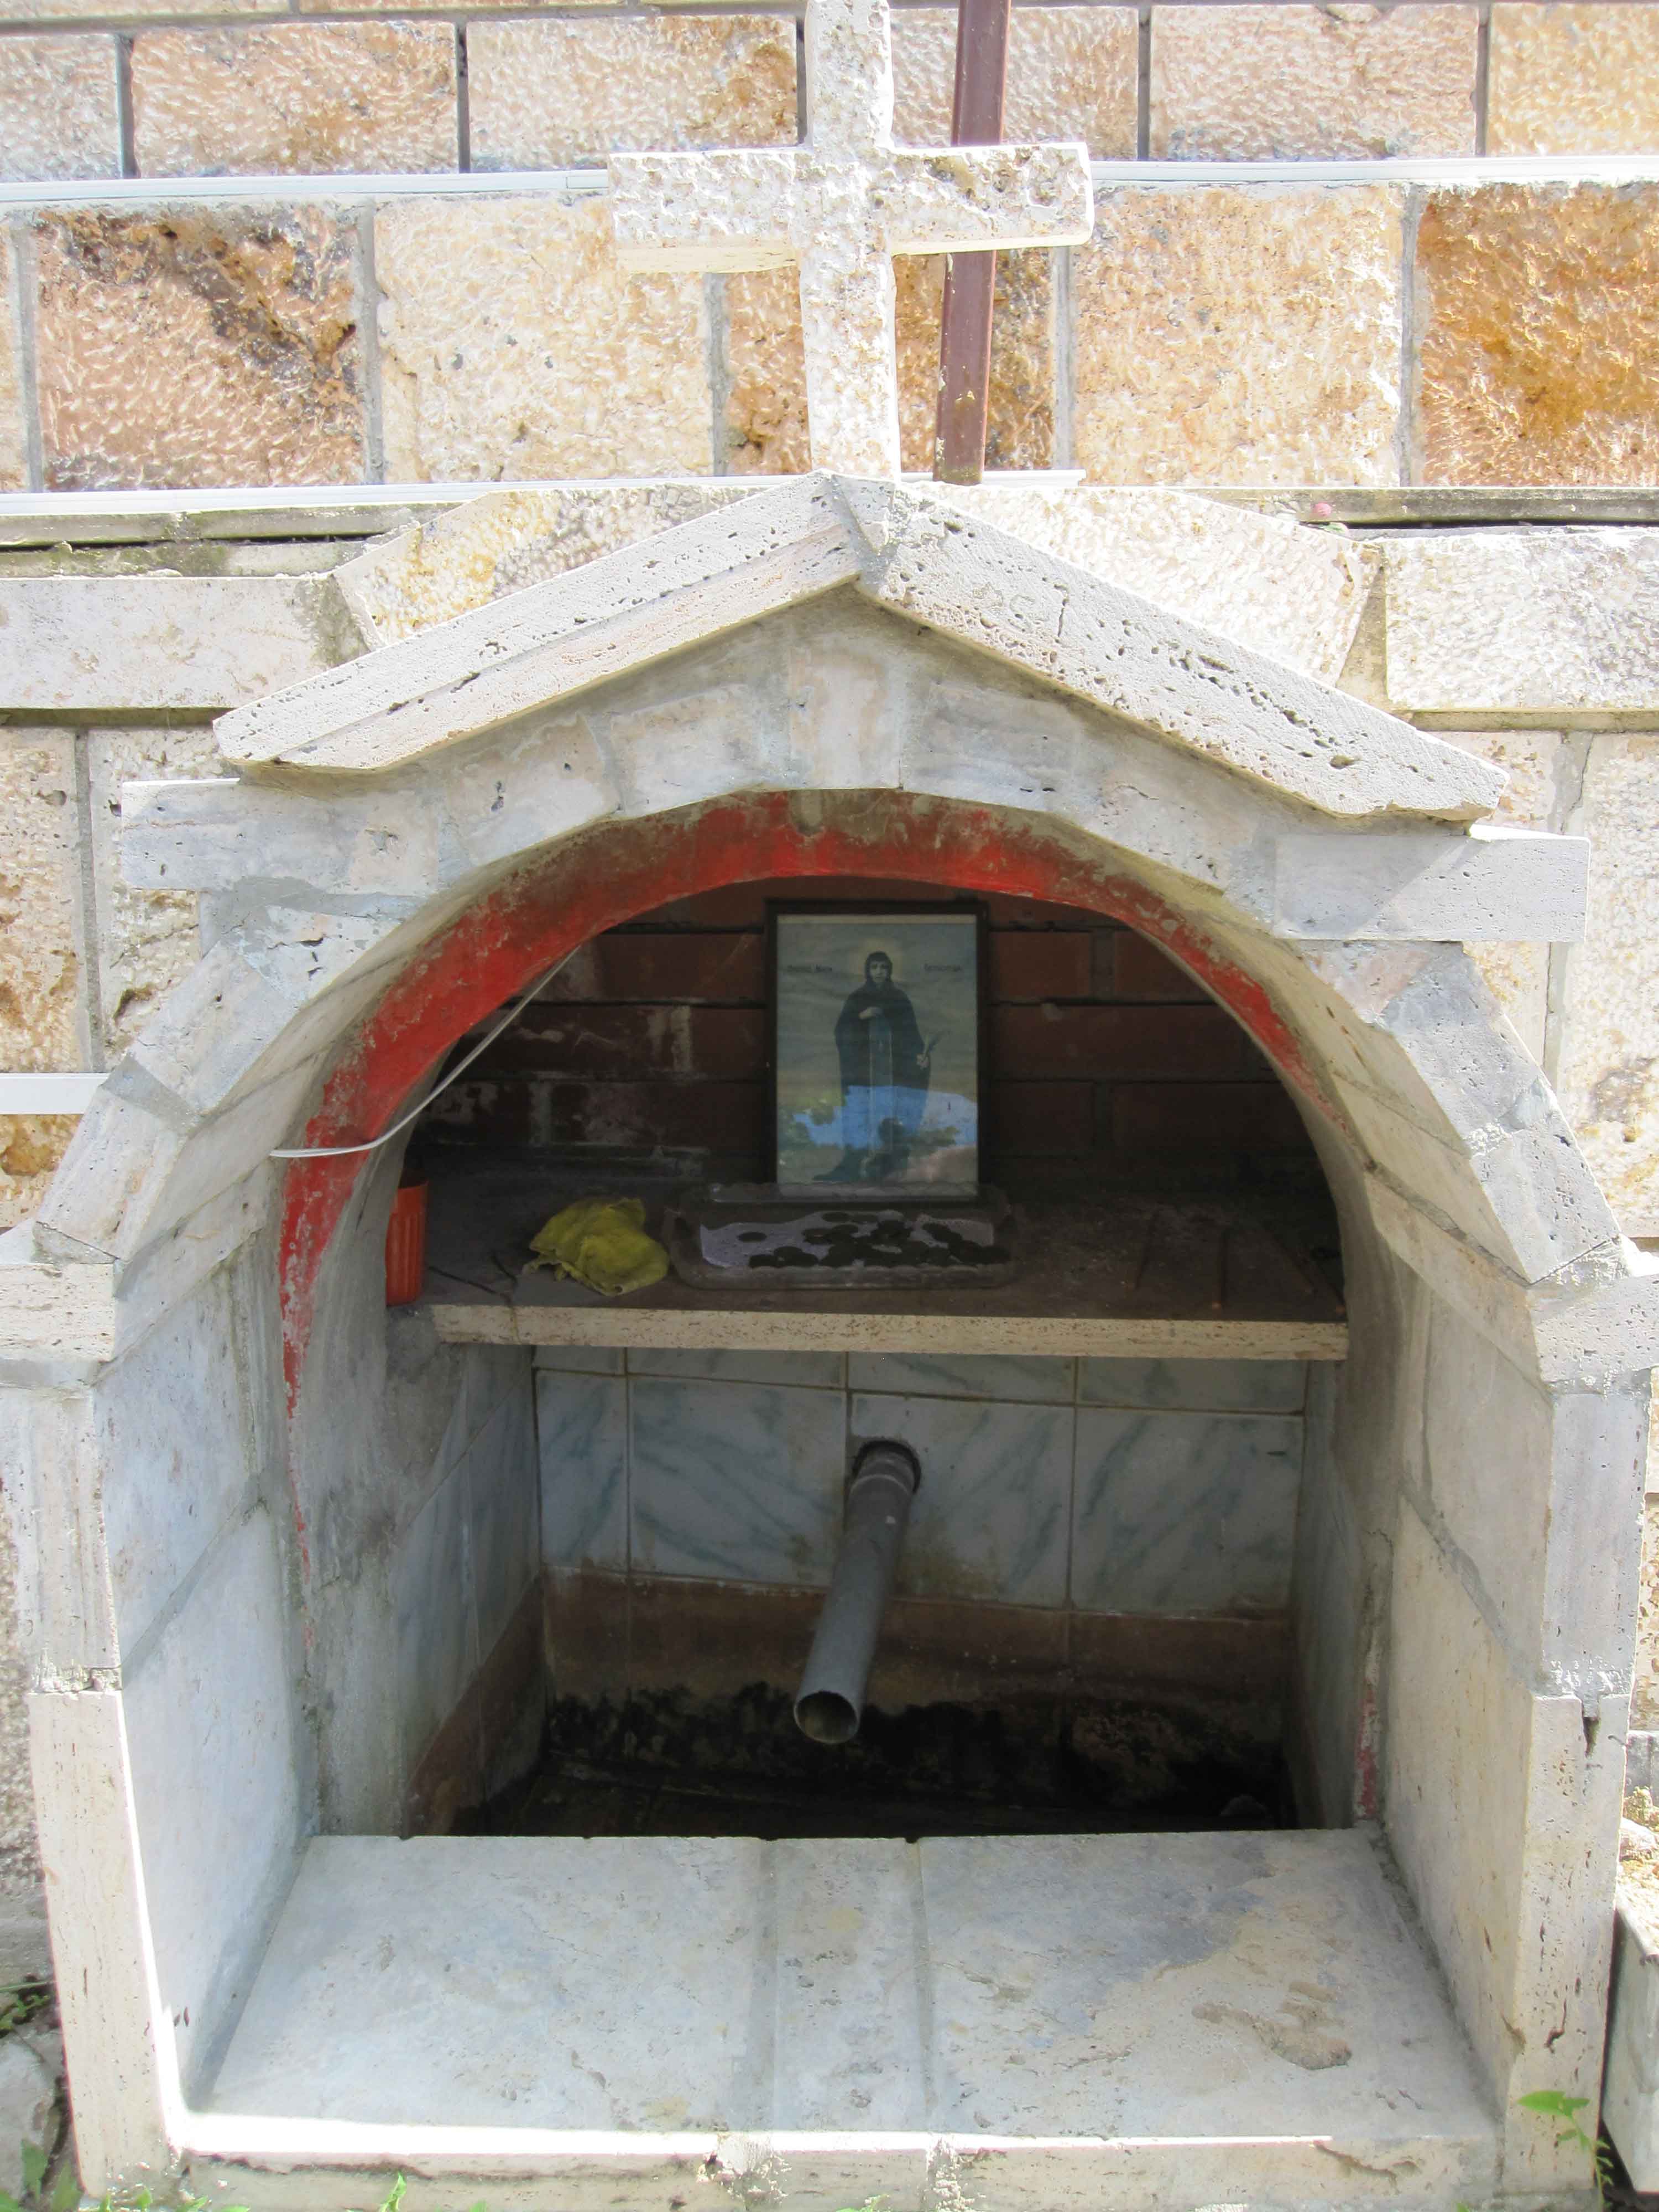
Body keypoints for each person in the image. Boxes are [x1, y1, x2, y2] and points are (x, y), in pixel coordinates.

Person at [818, 950, 935, 1183]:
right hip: (863, 1072)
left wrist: (922, 1057)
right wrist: (861, 1017)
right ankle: (853, 1168)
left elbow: (912, 1036)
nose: (879, 972)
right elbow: (842, 1031)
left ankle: (889, 1168)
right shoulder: (857, 999)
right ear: (868, 971)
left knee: (890, 1114)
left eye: (883, 967)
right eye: (875, 967)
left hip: (892, 1072)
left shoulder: (900, 999)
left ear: (889, 970)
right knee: (859, 1114)